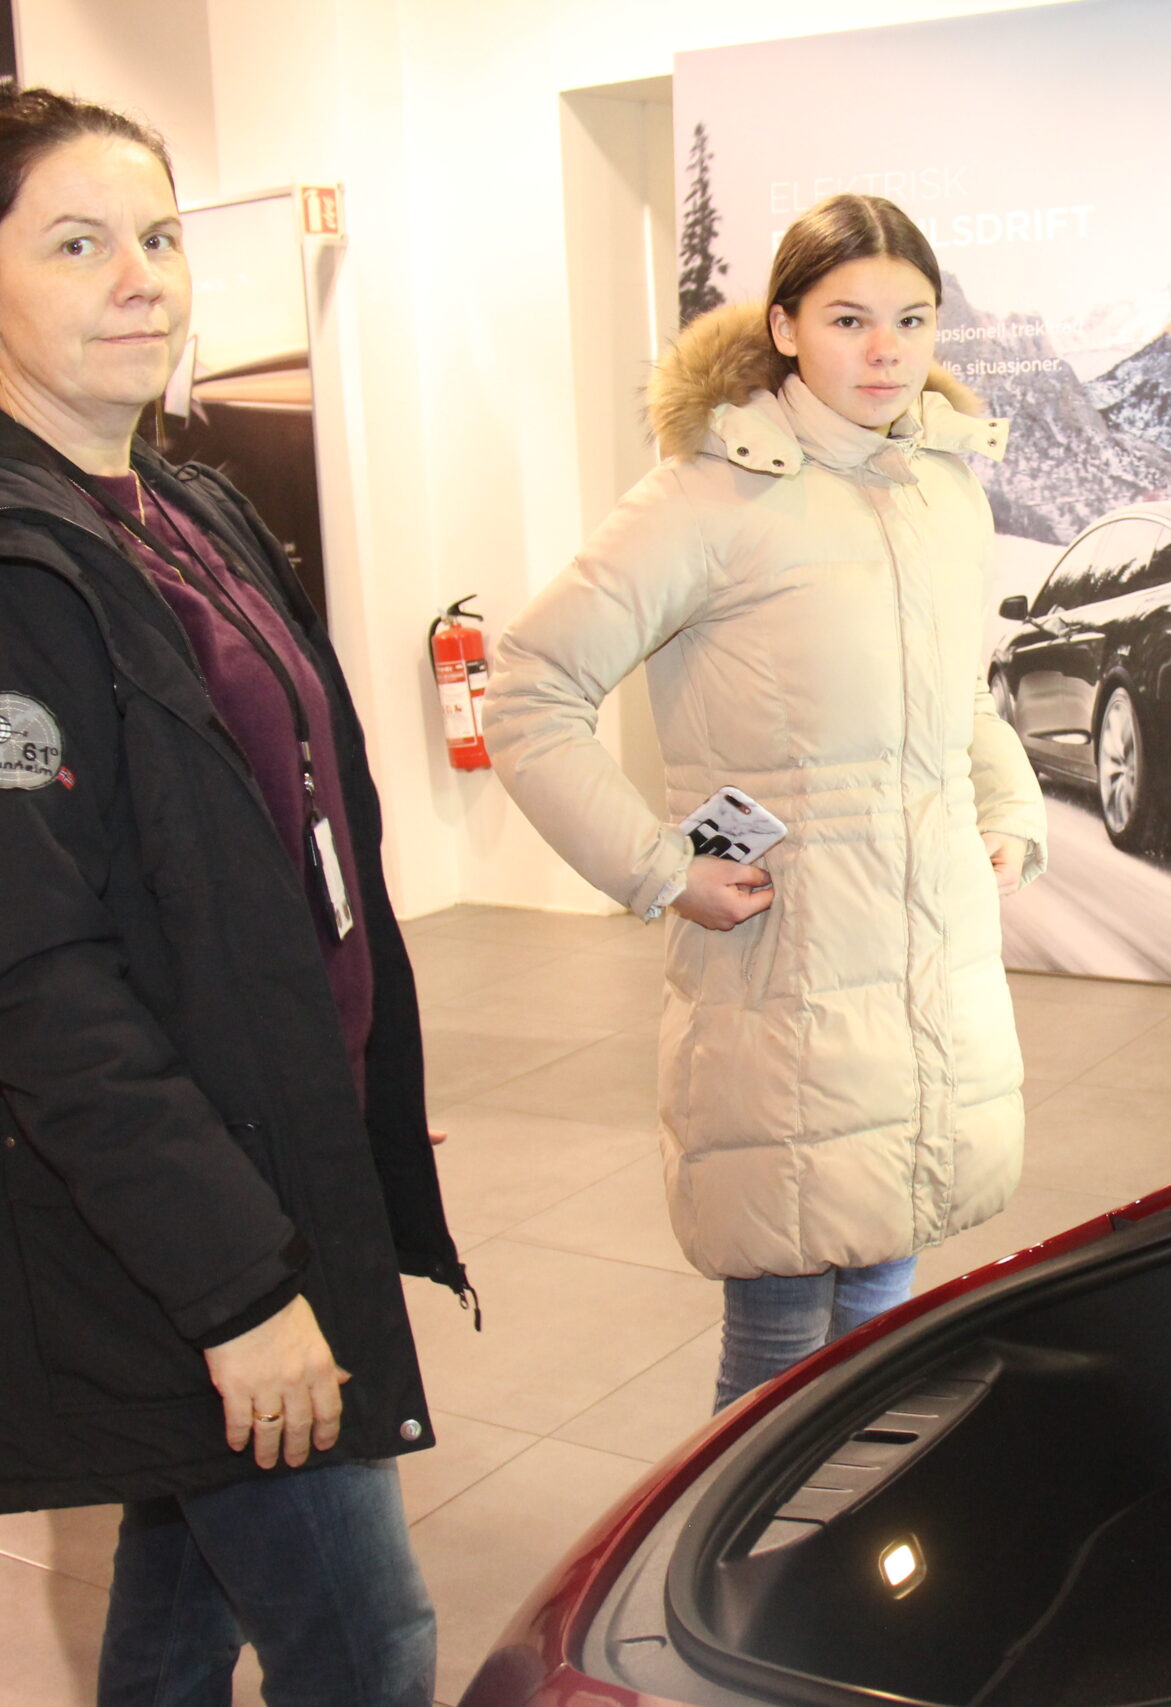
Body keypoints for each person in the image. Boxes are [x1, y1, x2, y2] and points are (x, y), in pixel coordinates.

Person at [0, 87, 466, 1706]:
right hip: (159, 1214)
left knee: (184, 1602)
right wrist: (236, 1284)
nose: (141, 277)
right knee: (368, 1642)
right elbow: (22, 972)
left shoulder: (182, 508)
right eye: (76, 244)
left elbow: (289, 847)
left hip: (253, 1147)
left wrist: (343, 1091)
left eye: (158, 235)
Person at [486, 194, 1047, 1411]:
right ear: (784, 327)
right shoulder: (707, 495)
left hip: (925, 959)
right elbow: (528, 689)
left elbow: (961, 694)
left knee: (883, 1320)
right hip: (786, 958)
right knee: (781, 1342)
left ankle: (843, 1528)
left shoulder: (944, 487)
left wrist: (1008, 813)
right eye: (848, 319)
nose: (886, 351)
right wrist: (658, 868)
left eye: (911, 319)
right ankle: (739, 1533)